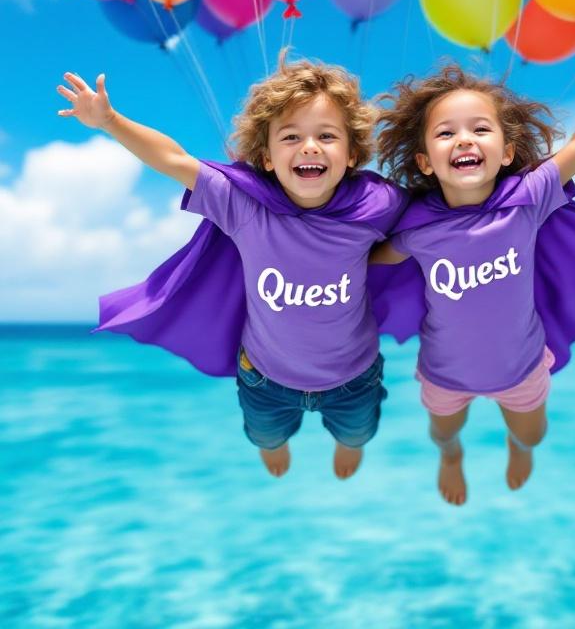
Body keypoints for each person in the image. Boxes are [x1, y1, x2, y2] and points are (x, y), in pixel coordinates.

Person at [56, 53, 406, 481]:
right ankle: (273, 445)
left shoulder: (378, 205)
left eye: (327, 136)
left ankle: (347, 446)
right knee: (264, 435)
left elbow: (436, 215)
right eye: (291, 136)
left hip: (355, 377)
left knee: (358, 434)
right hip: (264, 379)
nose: (310, 146)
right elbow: (174, 159)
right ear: (267, 157)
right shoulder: (243, 205)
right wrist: (110, 121)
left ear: (352, 154)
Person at [372, 46, 575, 505]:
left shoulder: (528, 199)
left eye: (480, 129)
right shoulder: (418, 228)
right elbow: (372, 261)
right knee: (442, 432)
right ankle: (452, 457)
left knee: (532, 435)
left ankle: (517, 449)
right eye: (445, 133)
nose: (464, 140)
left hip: (522, 369)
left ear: (507, 151)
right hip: (444, 372)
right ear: (424, 161)